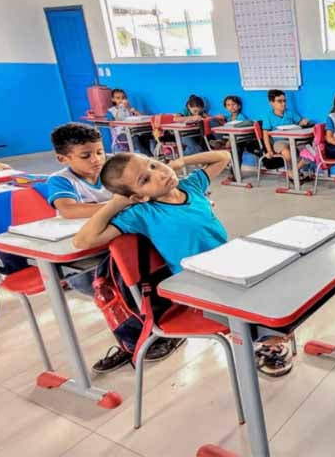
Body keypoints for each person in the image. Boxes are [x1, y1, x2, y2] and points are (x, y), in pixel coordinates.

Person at [74, 150, 293, 377]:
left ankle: (265, 334)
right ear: (139, 197)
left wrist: (180, 162)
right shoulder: (143, 213)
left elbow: (223, 157)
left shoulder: (190, 187)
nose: (159, 174)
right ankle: (264, 342)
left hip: (228, 266)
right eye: (145, 180)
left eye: (154, 165)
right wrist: (117, 203)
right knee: (262, 297)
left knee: (279, 275)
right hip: (195, 284)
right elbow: (83, 240)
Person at [48, 122, 182, 372]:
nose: (96, 159)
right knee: (112, 292)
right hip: (95, 247)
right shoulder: (61, 181)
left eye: (99, 151)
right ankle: (134, 341)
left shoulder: (113, 168)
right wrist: (123, 205)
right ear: (62, 158)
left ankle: (151, 333)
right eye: (86, 156)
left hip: (128, 241)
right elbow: (68, 209)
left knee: (139, 286)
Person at [260, 89, 311, 184]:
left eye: (284, 101)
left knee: (308, 152)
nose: (283, 103)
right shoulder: (268, 116)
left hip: (295, 140)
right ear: (271, 103)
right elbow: (265, 135)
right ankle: (295, 173)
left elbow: (299, 122)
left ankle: (292, 172)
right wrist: (269, 150)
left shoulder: (290, 113)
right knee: (286, 152)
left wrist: (303, 122)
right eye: (279, 101)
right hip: (279, 142)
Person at [106, 88, 152, 154]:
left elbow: (142, 116)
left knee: (146, 135)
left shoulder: (129, 108)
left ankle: (149, 155)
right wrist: (120, 108)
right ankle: (148, 157)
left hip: (134, 131)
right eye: (118, 98)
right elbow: (114, 123)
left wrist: (130, 108)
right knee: (135, 138)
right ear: (113, 99)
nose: (121, 100)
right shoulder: (111, 111)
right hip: (121, 134)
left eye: (123, 98)